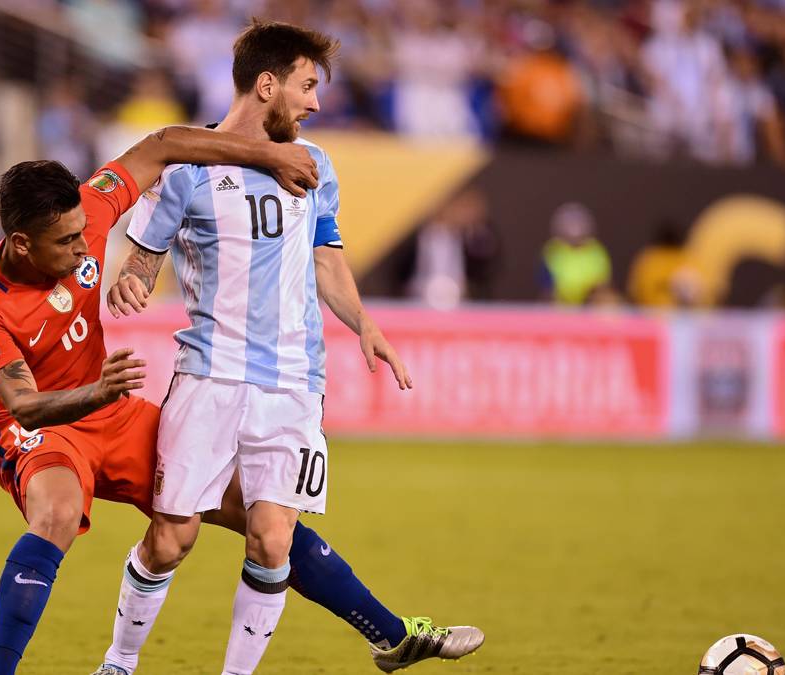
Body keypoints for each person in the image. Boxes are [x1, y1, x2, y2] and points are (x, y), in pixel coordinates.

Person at [98, 20, 483, 675]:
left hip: (293, 384)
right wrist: (130, 283)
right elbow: (140, 258)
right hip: (208, 375)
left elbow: (327, 259)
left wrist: (364, 323)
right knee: (171, 538)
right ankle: (119, 662)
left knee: (273, 538)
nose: (315, 102)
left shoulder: (316, 164)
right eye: (307, 86)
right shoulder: (189, 166)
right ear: (266, 84)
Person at [0, 125, 319, 674]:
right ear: (22, 243)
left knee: (261, 516)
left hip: (112, 415)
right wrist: (98, 390)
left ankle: (392, 634)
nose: (85, 249)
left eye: (84, 232)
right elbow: (24, 405)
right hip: (41, 425)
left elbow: (163, 144)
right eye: (68, 242)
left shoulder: (88, 209)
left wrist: (268, 154)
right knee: (55, 512)